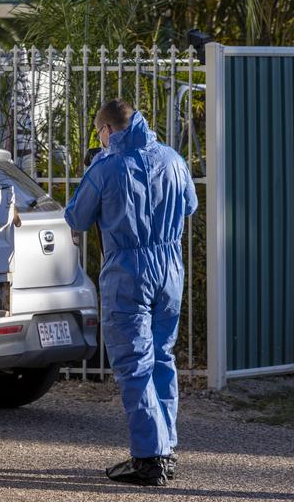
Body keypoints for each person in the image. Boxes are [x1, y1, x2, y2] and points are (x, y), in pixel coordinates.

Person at [64, 98, 198, 488]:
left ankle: (149, 458)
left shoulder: (106, 167)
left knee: (134, 363)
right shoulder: (173, 159)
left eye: (98, 132)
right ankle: (165, 448)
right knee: (161, 356)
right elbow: (189, 205)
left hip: (129, 271)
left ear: (106, 131)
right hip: (170, 268)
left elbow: (77, 217)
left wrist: (92, 172)